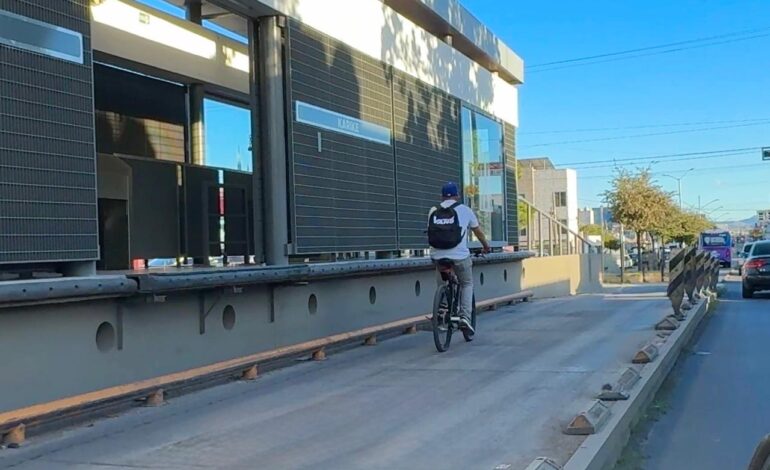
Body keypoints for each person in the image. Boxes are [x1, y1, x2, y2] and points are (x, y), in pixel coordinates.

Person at [427, 182, 491, 334]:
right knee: (467, 283)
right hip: (459, 256)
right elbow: (478, 232)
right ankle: (465, 317)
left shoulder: (433, 210)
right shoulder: (465, 210)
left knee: (441, 281)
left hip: (438, 256)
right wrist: (486, 246)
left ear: (442, 196)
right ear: (457, 195)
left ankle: (441, 311)